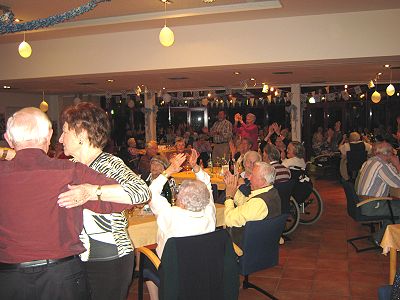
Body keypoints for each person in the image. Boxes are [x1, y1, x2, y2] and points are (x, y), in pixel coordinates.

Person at [0, 107, 133, 300]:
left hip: (8, 278)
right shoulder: (71, 171)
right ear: (50, 135)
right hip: (61, 276)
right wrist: (90, 192)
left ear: (8, 138)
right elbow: (123, 200)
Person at [58, 102, 150, 300]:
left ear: (81, 134)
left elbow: (141, 192)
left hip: (110, 260)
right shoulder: (71, 167)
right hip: (79, 257)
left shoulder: (108, 163)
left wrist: (92, 191)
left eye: (65, 132)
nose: (60, 138)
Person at [146, 151, 216, 300]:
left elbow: (151, 192)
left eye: (178, 195)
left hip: (174, 272)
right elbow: (208, 186)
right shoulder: (209, 213)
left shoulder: (170, 215)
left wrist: (170, 170)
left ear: (182, 202)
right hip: (202, 268)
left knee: (146, 257)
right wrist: (195, 166)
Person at [223, 161, 281, 245]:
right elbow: (246, 204)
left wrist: (229, 197)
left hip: (244, 246)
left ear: (263, 181)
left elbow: (229, 220)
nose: (249, 178)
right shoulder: (272, 192)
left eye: (252, 175)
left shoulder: (259, 203)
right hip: (263, 243)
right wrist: (233, 190)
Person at [356, 141, 400, 242]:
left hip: (362, 202)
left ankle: (384, 237)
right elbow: (398, 183)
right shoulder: (381, 166)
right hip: (371, 205)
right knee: (396, 208)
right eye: (392, 153)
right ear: (387, 154)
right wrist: (398, 165)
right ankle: (380, 238)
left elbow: (391, 174)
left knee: (394, 206)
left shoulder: (370, 161)